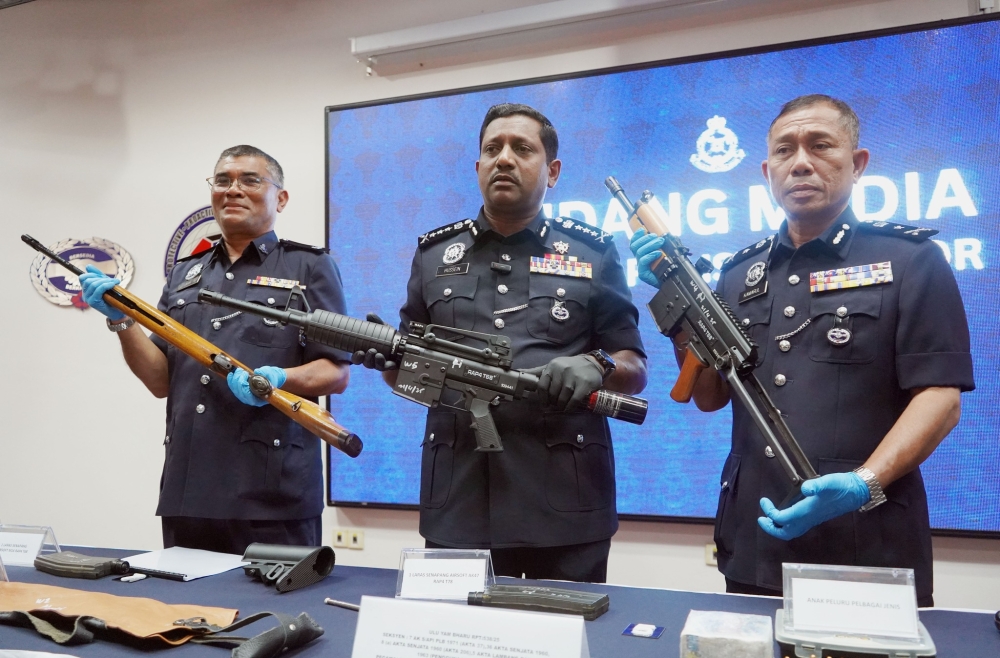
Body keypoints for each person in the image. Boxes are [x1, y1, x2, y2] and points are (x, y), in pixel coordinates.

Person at [631, 94, 974, 606]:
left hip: (869, 542)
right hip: (754, 539)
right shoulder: (738, 273)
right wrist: (674, 300)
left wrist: (864, 483)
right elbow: (707, 396)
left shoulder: (910, 260)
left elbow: (940, 399)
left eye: (820, 146)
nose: (802, 162)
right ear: (768, 171)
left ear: (858, 164)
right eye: (786, 151)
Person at [354, 103, 647, 583]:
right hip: (458, 501)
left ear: (552, 171)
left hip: (565, 505)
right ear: (477, 168)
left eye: (521, 148)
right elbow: (408, 371)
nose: (504, 159)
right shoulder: (433, 256)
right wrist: (384, 360)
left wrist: (596, 365)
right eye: (492, 149)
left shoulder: (592, 252)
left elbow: (632, 365)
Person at [79, 145, 351, 554]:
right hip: (189, 489)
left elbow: (336, 372)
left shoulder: (308, 267)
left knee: (273, 616)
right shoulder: (186, 274)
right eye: (222, 181)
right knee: (187, 616)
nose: (233, 190)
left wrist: (278, 380)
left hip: (273, 493)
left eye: (250, 180)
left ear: (281, 198)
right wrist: (122, 319)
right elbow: (159, 380)